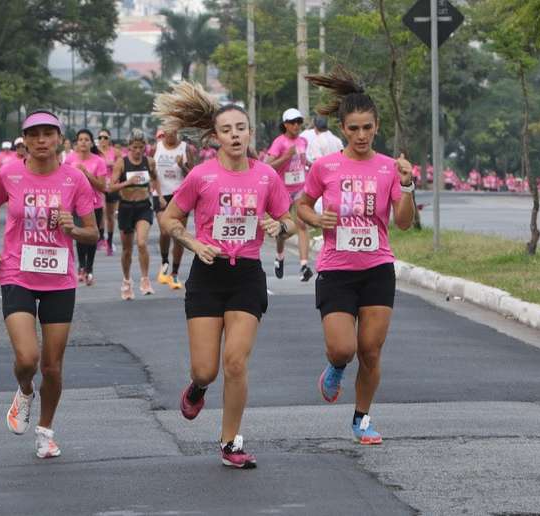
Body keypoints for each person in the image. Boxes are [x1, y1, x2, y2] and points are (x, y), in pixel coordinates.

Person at [154, 82, 297, 469]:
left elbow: (290, 221)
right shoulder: (202, 176)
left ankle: (231, 441)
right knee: (207, 368)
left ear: (250, 133)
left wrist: (279, 229)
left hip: (247, 274)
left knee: (235, 362)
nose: (235, 135)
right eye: (227, 130)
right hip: (207, 274)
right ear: (215, 137)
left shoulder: (267, 176)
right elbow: (169, 219)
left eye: (241, 128)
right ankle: (199, 388)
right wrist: (192, 243)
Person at [297, 67, 414, 445]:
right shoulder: (325, 166)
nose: (361, 135)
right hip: (336, 269)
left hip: (378, 267)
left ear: (376, 126)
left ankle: (362, 418)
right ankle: (334, 366)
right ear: (342, 129)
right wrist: (316, 217)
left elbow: (404, 222)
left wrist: (409, 185)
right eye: (353, 128)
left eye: (367, 128)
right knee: (343, 348)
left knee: (371, 351)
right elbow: (302, 205)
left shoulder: (388, 169)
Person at [0, 110, 99, 458]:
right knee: (28, 358)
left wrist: (73, 229)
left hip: (59, 278)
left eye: (48, 134)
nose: (41, 140)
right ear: (25, 140)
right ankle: (24, 389)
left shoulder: (75, 179)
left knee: (52, 366)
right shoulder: (9, 174)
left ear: (60, 139)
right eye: (34, 135)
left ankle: (45, 432)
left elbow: (92, 232)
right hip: (17, 273)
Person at [110, 129, 162, 299]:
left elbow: (155, 178)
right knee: (126, 249)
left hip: (143, 207)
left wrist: (158, 195)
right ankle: (126, 281)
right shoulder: (121, 163)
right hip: (126, 207)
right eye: (134, 147)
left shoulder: (150, 162)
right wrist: (127, 182)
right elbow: (111, 186)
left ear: (145, 147)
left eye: (141, 147)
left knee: (141, 243)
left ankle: (145, 279)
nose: (138, 150)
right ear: (129, 147)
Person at [265, 108, 313, 282]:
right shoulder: (279, 142)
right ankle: (279, 256)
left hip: (300, 187)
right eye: (293, 122)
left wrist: (310, 165)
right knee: (282, 230)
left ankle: (304, 265)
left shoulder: (303, 141)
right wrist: (286, 157)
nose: (296, 125)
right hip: (282, 190)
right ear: (285, 124)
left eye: (299, 122)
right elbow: (268, 166)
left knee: (302, 225)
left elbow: (302, 159)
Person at [64, 129, 108, 285]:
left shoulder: (98, 161)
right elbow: (65, 182)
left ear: (91, 143)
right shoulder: (69, 160)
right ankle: (81, 266)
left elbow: (103, 187)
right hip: (75, 205)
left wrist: (86, 174)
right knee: (79, 236)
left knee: (92, 237)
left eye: (86, 139)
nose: (83, 142)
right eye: (80, 139)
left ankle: (90, 268)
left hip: (94, 204)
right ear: (76, 142)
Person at [154, 127, 194, 289]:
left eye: (173, 132)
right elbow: (152, 172)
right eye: (167, 132)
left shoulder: (185, 148)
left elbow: (193, 174)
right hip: (161, 195)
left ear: (177, 131)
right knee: (165, 231)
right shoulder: (157, 146)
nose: (170, 135)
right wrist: (158, 193)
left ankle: (175, 273)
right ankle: (164, 261)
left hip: (180, 194)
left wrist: (182, 166)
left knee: (178, 235)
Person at [98, 129, 119, 256]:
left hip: (112, 186)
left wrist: (114, 164)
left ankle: (109, 242)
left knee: (110, 216)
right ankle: (101, 238)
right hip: (100, 186)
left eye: (105, 137)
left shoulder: (115, 152)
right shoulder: (96, 152)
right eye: (100, 137)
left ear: (109, 139)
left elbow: (121, 166)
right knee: (102, 212)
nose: (102, 140)